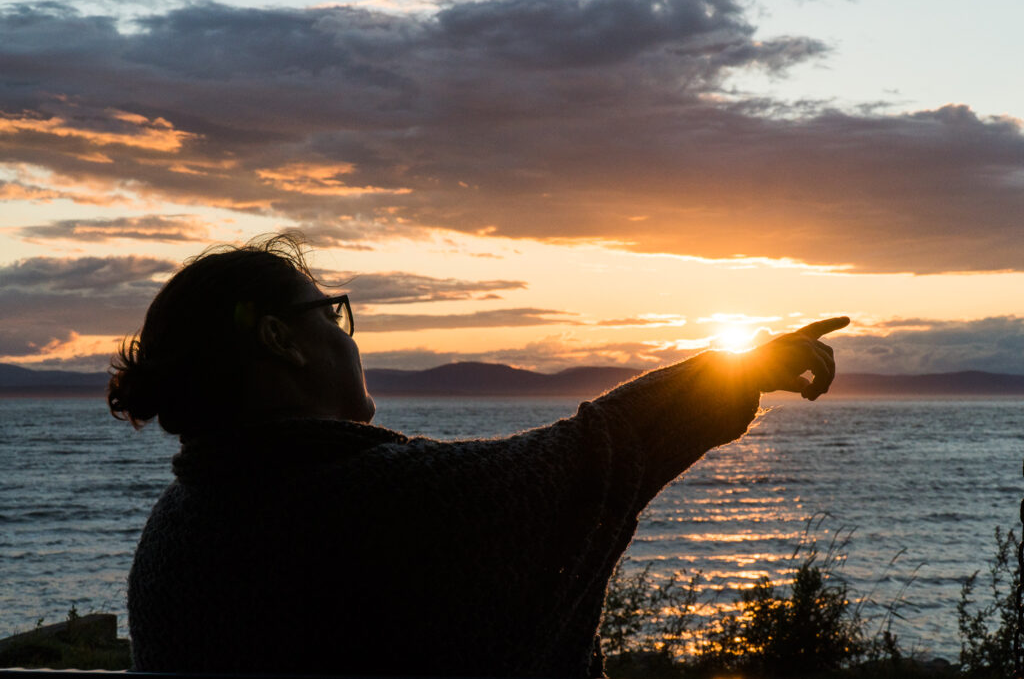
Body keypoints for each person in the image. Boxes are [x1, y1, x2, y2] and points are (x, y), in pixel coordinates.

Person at [109, 234, 848, 677]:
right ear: (280, 339)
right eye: (331, 313)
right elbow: (595, 456)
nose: (349, 335)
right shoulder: (387, 503)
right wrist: (739, 369)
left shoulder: (173, 536)